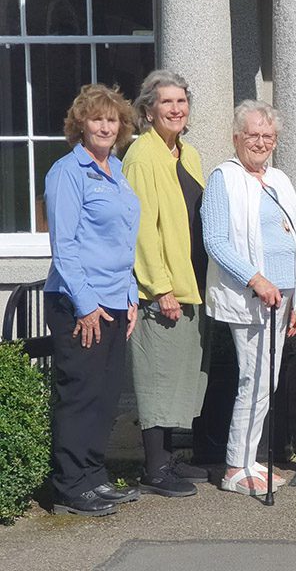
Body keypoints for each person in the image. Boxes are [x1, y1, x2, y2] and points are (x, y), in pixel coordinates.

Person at [43, 84, 140, 516]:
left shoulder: (116, 170)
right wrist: (85, 305)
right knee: (80, 394)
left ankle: (93, 476)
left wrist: (131, 295)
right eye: (97, 118)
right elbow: (64, 247)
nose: (105, 125)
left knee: (105, 395)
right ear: (80, 124)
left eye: (112, 119)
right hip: (79, 303)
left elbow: (123, 241)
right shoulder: (67, 172)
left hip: (115, 300)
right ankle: (70, 484)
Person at [202, 100, 296, 496]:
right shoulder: (223, 178)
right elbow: (216, 241)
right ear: (236, 138)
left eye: (268, 136)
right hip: (250, 298)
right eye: (253, 135)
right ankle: (234, 468)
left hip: (282, 298)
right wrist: (256, 280)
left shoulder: (278, 179)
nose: (261, 142)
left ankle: (250, 459)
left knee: (267, 380)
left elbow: (293, 241)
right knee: (255, 379)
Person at [122, 69, 209, 498]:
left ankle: (169, 457)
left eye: (181, 101)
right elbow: (141, 230)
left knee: (178, 375)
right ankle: (154, 469)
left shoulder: (187, 154)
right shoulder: (142, 156)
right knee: (156, 376)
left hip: (191, 281)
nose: (176, 109)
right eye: (166, 103)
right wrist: (160, 287)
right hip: (162, 288)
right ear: (148, 111)